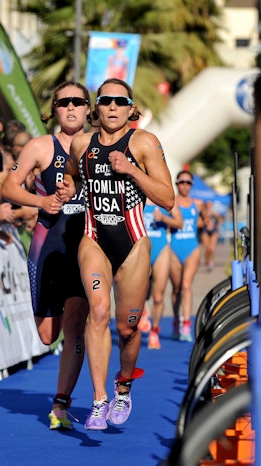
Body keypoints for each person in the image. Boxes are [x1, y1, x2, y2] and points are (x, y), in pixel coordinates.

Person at [66, 78, 175, 430]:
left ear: (131, 109)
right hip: (94, 238)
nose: (113, 106)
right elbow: (72, 176)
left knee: (127, 329)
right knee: (98, 311)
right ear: (96, 107)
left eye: (120, 101)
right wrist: (68, 188)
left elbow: (167, 198)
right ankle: (99, 400)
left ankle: (123, 386)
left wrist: (130, 170)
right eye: (106, 100)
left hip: (133, 243)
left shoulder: (144, 142)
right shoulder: (81, 143)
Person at [3, 81, 91, 430]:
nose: (71, 107)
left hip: (84, 245)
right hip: (47, 243)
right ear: (53, 110)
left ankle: (61, 403)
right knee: (47, 335)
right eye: (63, 102)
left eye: (78, 102)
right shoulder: (40, 147)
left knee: (76, 323)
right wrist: (40, 201)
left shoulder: (98, 147)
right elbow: (9, 187)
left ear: (88, 108)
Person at [142, 199, 182, 349]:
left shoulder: (164, 197)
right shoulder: (138, 195)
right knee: (141, 291)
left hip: (161, 248)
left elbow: (180, 222)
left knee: (158, 296)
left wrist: (164, 218)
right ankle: (142, 310)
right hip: (142, 247)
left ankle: (154, 331)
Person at [169, 170, 204, 342]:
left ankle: (186, 325)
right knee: (176, 289)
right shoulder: (170, 202)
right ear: (176, 184)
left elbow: (204, 221)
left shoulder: (198, 203)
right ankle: (176, 321)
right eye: (181, 182)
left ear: (191, 185)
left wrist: (207, 221)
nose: (184, 185)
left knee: (186, 286)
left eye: (188, 182)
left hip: (192, 248)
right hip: (175, 248)